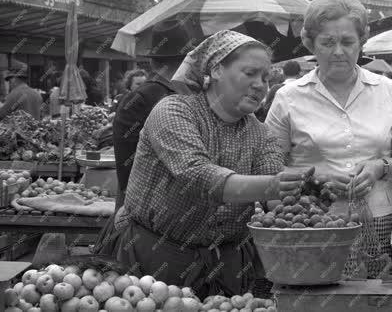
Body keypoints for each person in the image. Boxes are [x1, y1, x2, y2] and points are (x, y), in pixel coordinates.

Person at [110, 30, 312, 298]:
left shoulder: (260, 133)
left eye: (265, 78)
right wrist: (274, 185)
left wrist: (309, 193)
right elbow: (199, 175)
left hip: (226, 265)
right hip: (153, 260)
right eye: (250, 73)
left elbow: (275, 195)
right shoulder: (174, 111)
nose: (260, 85)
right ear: (216, 70)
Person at [265, 0, 392, 278]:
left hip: (382, 225)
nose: (338, 51)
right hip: (313, 226)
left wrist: (382, 167)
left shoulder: (386, 90)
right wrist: (315, 182)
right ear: (310, 43)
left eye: (348, 42)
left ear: (362, 41)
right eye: (327, 42)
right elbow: (267, 171)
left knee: (378, 304)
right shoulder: (288, 97)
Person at [112, 23, 193, 210]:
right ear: (186, 62)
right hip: (145, 212)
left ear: (153, 62)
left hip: (153, 210)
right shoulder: (145, 98)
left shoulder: (175, 93)